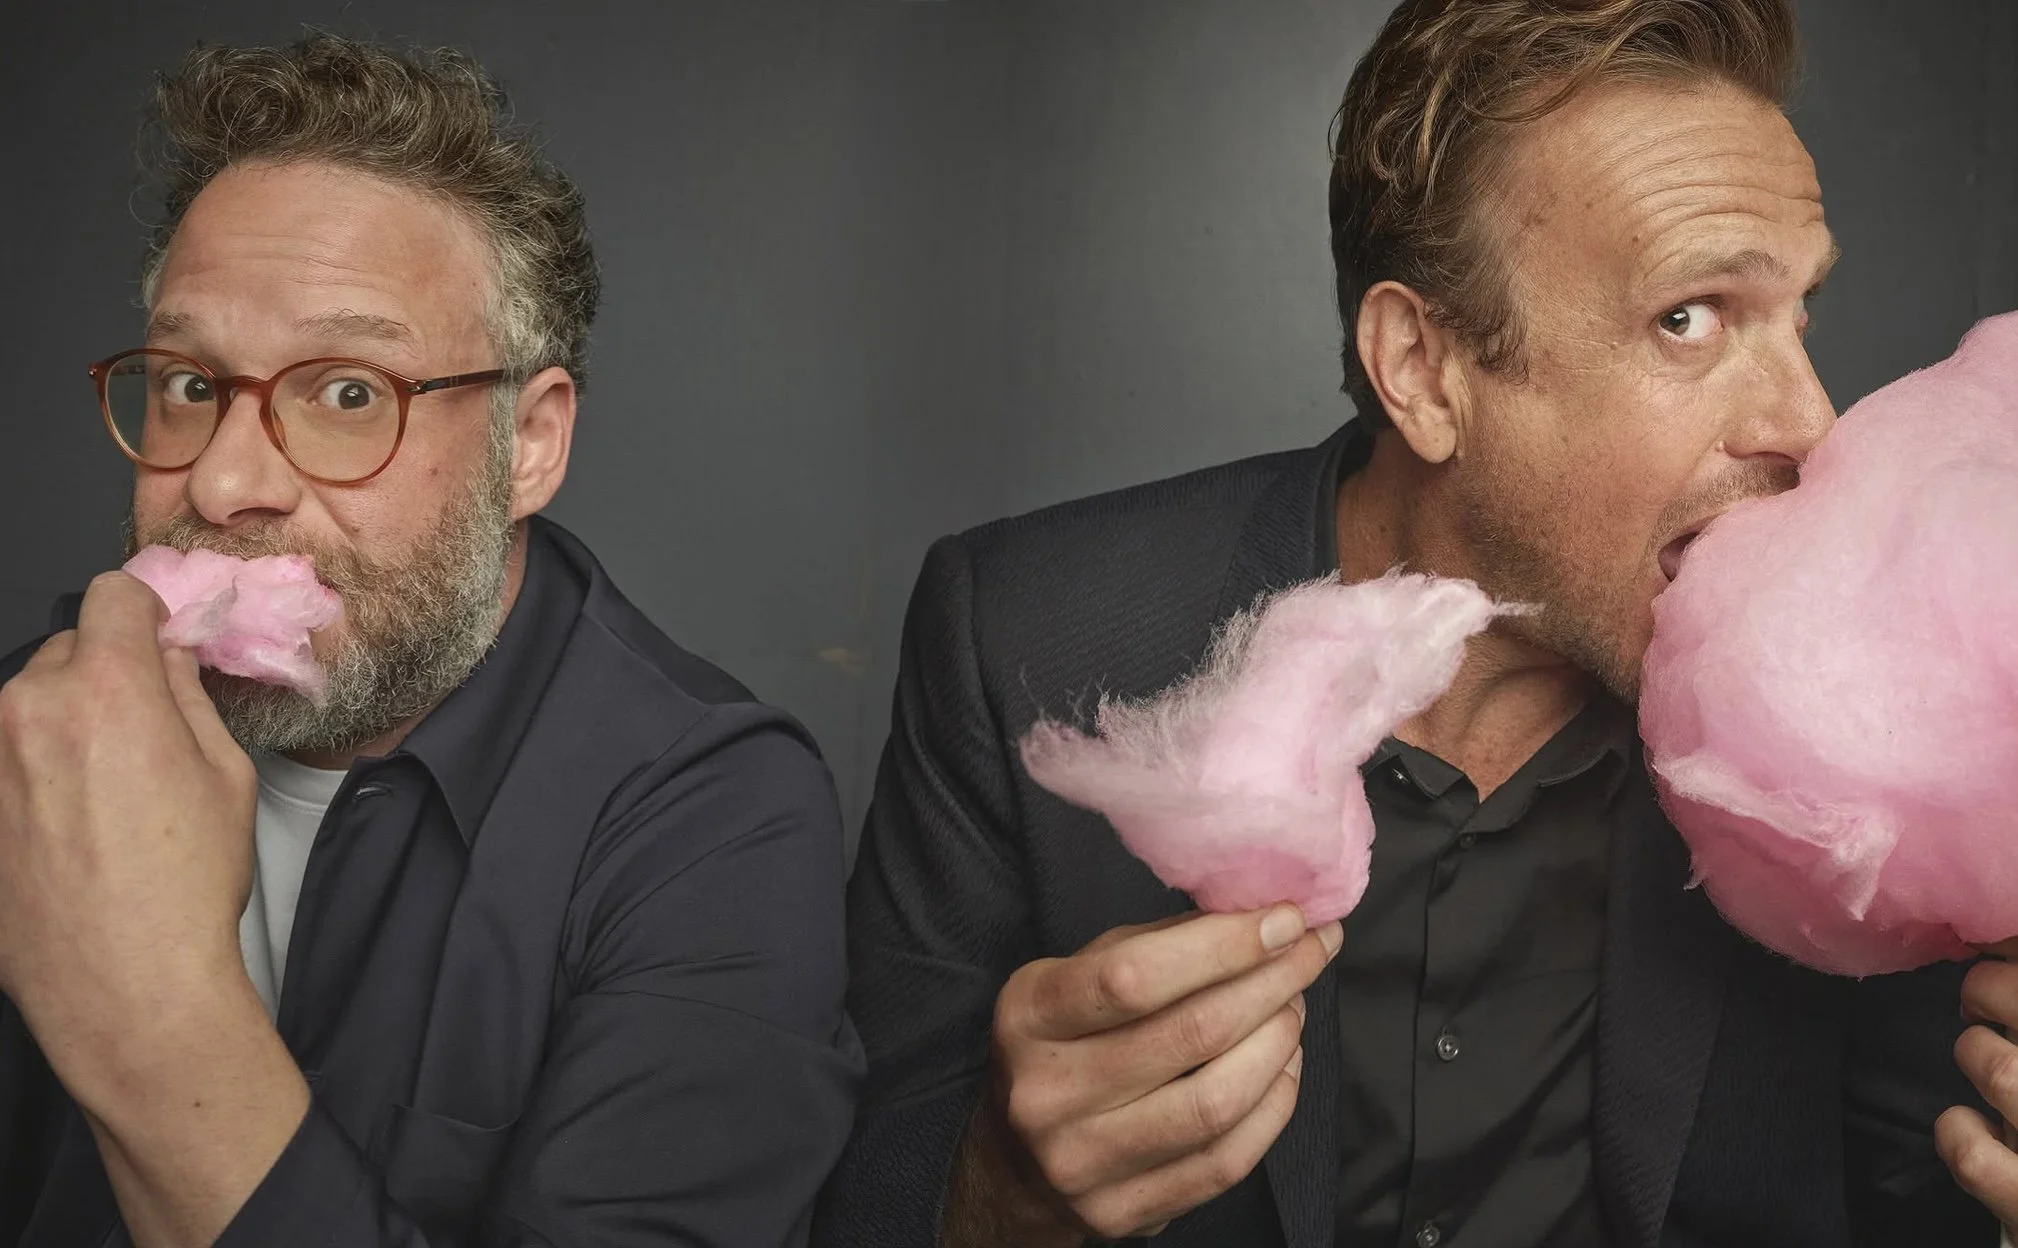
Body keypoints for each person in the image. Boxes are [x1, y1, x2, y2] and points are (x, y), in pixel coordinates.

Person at [815, 1, 2010, 1244]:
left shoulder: (1872, 736)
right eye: (1687, 317)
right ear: (1423, 369)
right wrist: (1002, 1191)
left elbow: (1912, 1195)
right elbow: (852, 1200)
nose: (1810, 425)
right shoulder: (1031, 638)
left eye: (1796, 315)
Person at [0, 34, 859, 1248]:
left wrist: (152, 1020)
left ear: (531, 445)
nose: (228, 480)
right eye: (189, 384)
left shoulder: (712, 819)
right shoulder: (34, 737)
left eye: (348, 391)